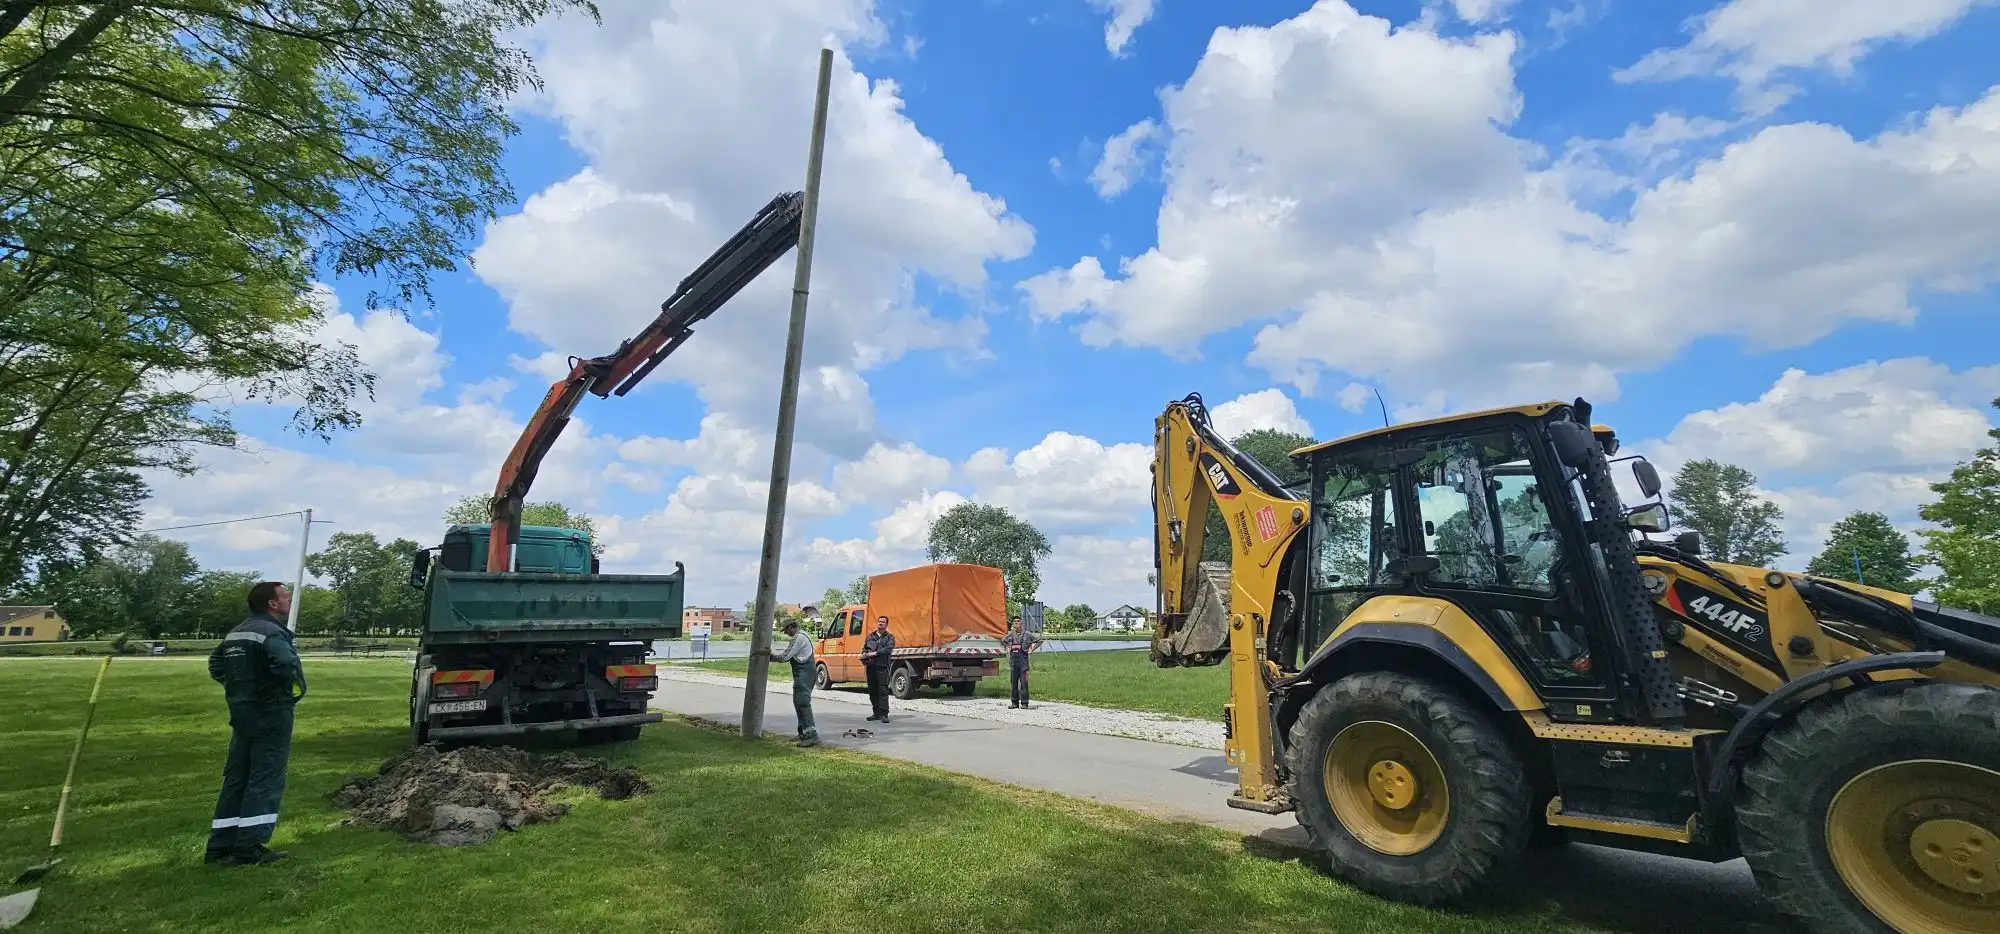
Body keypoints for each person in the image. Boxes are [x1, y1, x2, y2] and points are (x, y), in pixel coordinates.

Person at [203, 581, 307, 867]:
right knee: (265, 777)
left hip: (242, 713)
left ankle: (220, 845)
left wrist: (238, 689)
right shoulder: (272, 632)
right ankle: (249, 847)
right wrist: (275, 691)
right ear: (272, 603)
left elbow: (215, 664)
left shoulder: (236, 633)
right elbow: (286, 665)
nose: (288, 600)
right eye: (285, 596)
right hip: (271, 713)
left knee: (237, 777)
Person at [768, 618, 820, 747]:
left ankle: (812, 735)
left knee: (803, 702)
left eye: (786, 630)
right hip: (802, 673)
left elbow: (785, 656)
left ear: (791, 627)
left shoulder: (799, 638)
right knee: (798, 702)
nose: (786, 633)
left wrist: (770, 656)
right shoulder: (802, 636)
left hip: (805, 673)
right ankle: (803, 732)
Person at [860, 614, 896, 722]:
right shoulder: (870, 636)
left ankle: (884, 714)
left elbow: (888, 650)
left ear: (886, 624)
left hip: (882, 667)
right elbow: (864, 648)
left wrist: (875, 653)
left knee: (883, 691)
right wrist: (864, 654)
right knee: (872, 691)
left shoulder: (890, 637)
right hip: (870, 667)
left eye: (883, 622)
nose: (880, 623)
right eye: (879, 621)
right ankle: (876, 713)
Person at [1002, 616, 1043, 708]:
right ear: (1013, 624)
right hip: (1013, 661)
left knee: (1024, 682)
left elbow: (1039, 641)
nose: (1016, 623)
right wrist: (1008, 646)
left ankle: (1024, 703)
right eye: (1014, 622)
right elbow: (1003, 640)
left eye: (1018, 621)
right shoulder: (1011, 634)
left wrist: (1032, 650)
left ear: (1021, 623)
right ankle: (1014, 703)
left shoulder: (1027, 634)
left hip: (1023, 662)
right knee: (1014, 682)